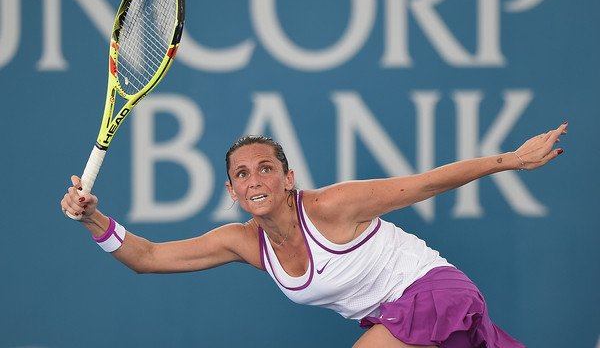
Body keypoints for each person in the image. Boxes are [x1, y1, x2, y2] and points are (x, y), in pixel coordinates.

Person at [61, 122, 568, 348]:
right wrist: (92, 221)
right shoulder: (242, 242)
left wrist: (511, 160)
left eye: (265, 168)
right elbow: (148, 257)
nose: (254, 178)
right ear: (232, 191)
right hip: (392, 321)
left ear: (288, 179)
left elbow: (427, 181)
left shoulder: (332, 207)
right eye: (242, 174)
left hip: (434, 294)